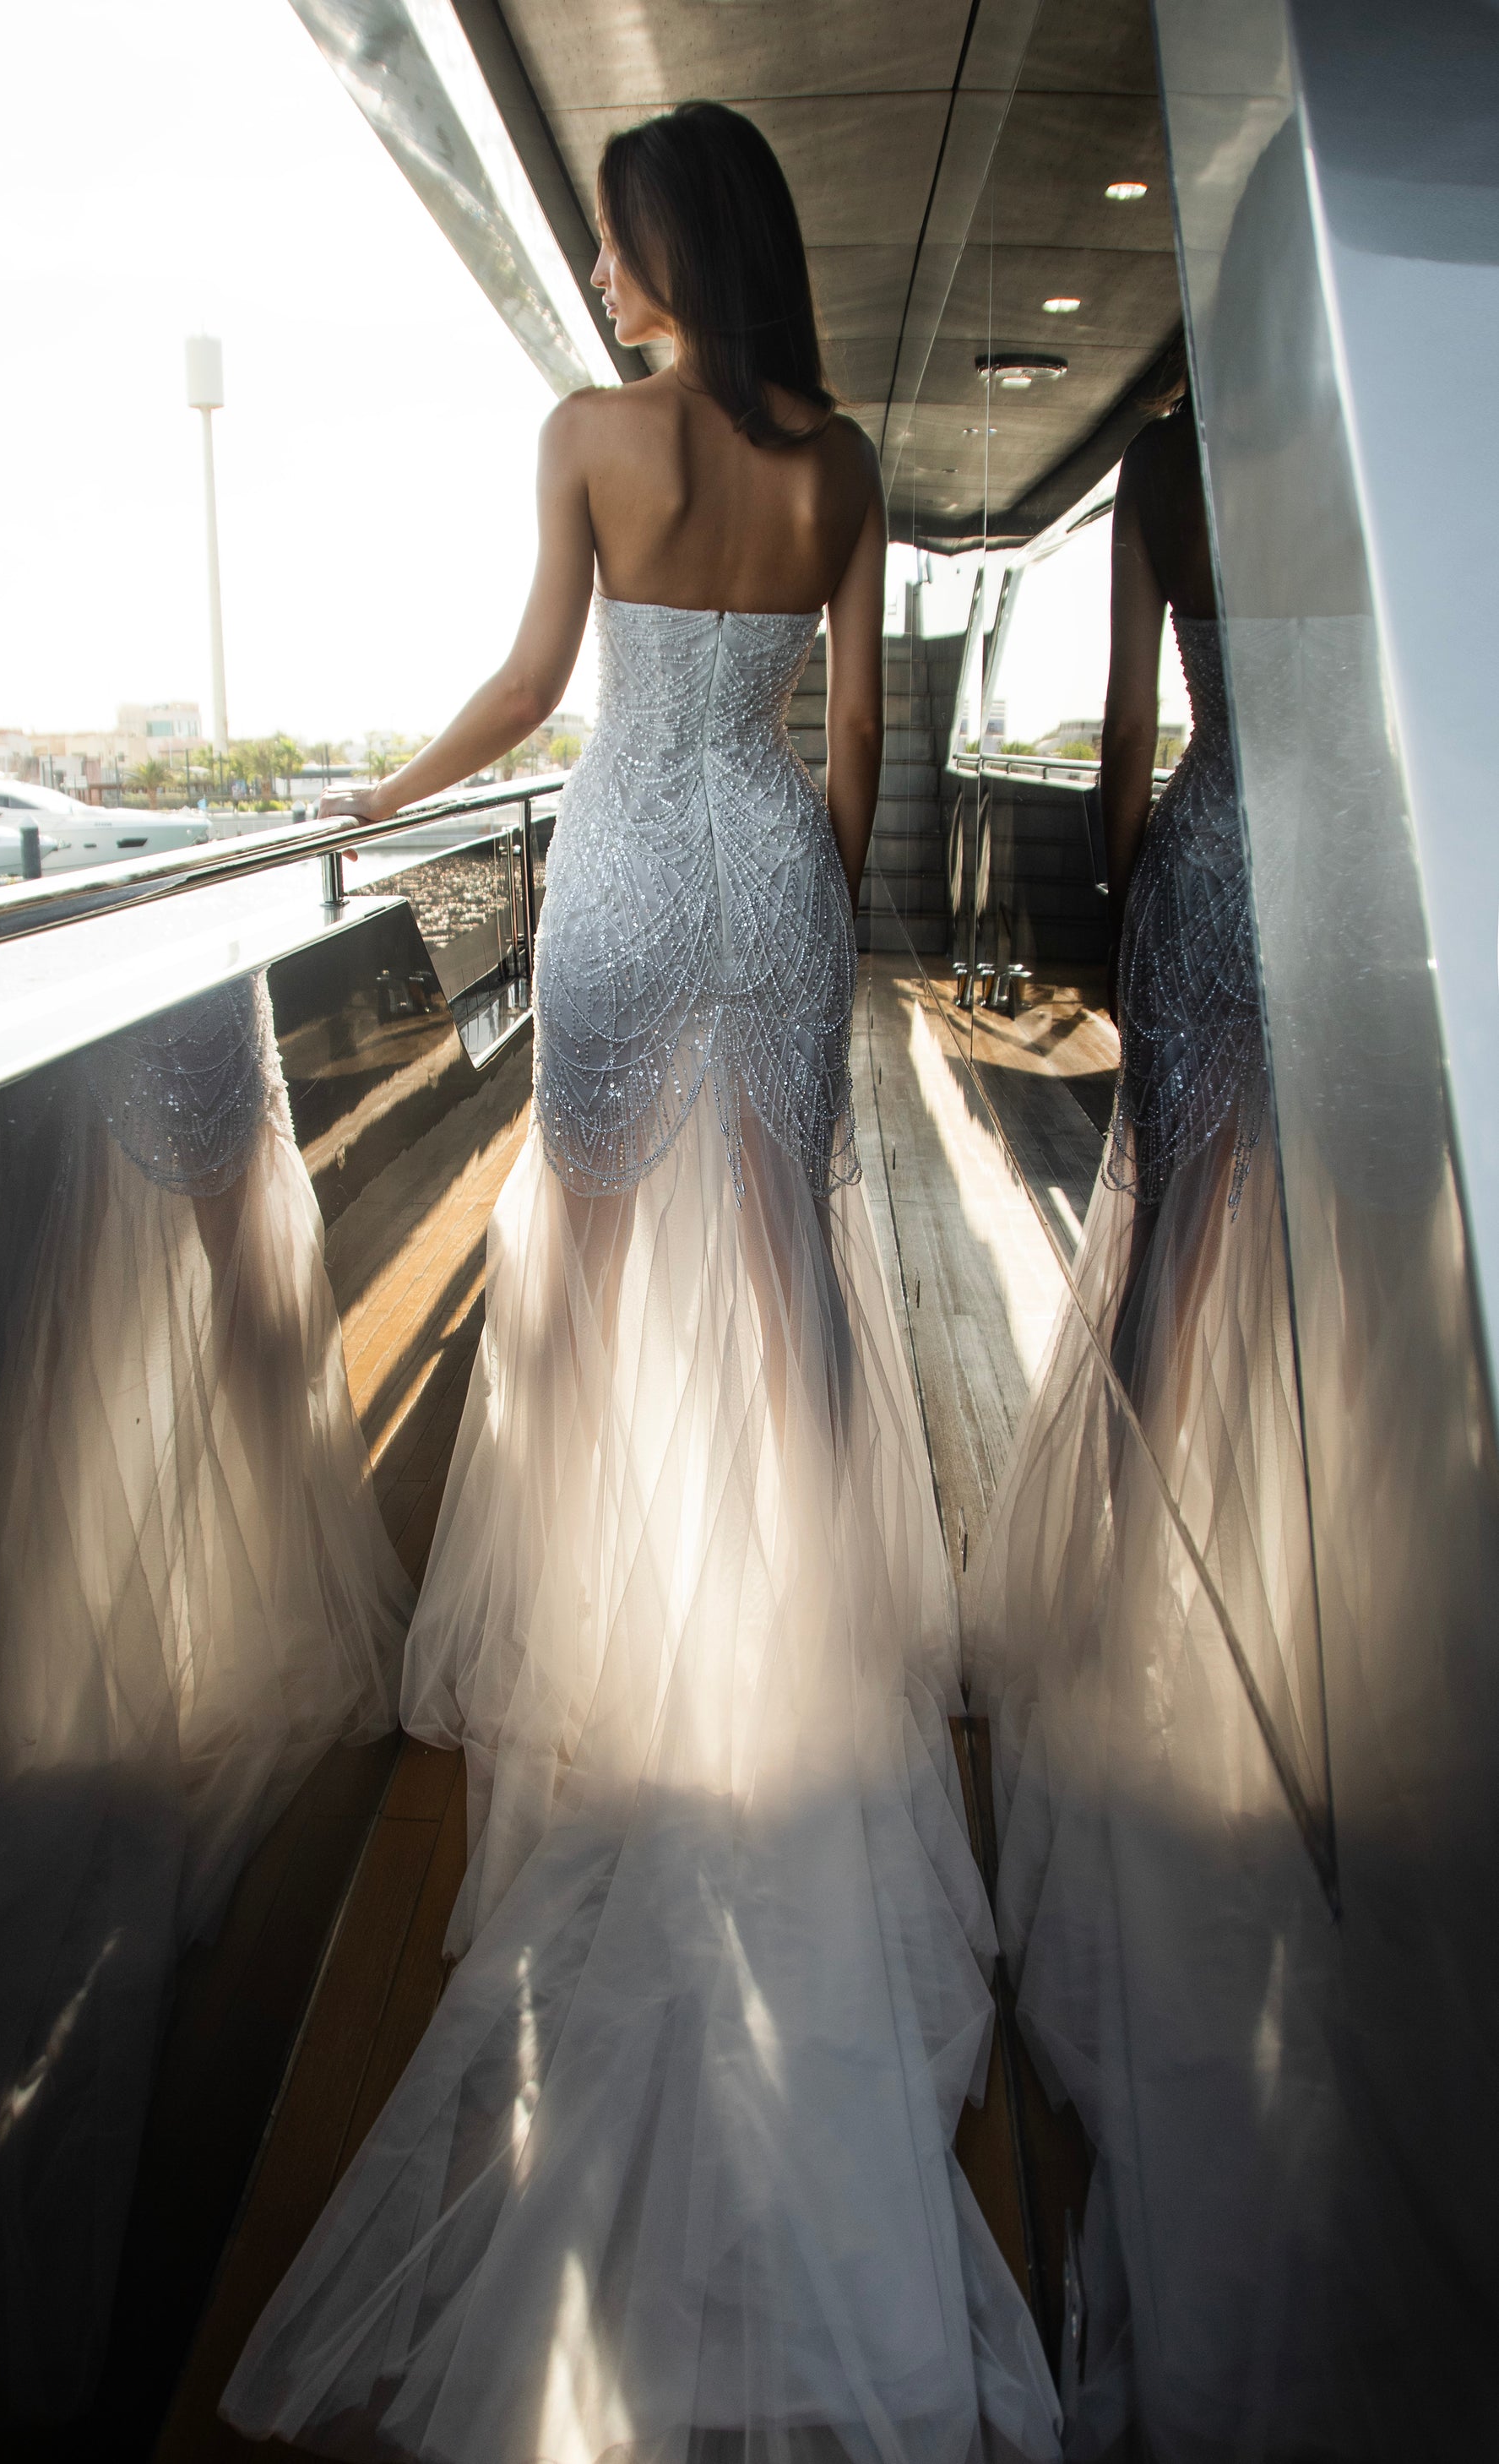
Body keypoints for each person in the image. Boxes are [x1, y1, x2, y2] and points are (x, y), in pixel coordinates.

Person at [221, 101, 1062, 2464]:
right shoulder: (849, 457)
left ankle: (620, 1661)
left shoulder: (590, 437)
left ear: (674, 248)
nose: (599, 281)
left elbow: (522, 687)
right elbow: (866, 740)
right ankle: (785, 1657)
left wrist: (374, 807)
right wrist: (795, 892)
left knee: (593, 1289)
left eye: (610, 243)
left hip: (611, 898)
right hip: (771, 900)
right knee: (776, 1300)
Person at [0, 974, 410, 2424]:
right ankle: (244, 1572)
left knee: (84, 1261)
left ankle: (137, 1605)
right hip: (179, 991)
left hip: (89, 995)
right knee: (229, 1255)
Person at [963, 392, 1344, 2456]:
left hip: (1210, 855)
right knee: (1335, 1293)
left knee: (1175, 1269)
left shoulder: (1179, 456)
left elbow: (1123, 728)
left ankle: (1144, 1603)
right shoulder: (1359, 418)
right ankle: (1326, 1629)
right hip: (1365, 879)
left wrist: (1142, 891)